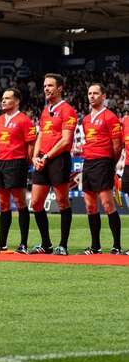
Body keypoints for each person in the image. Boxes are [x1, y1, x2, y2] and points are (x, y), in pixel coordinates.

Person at [30, 73, 77, 255]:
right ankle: (46, 244)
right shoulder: (45, 109)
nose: (46, 89)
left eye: (50, 85)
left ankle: (63, 245)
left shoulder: (67, 110)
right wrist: (35, 156)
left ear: (60, 88)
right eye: (44, 86)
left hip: (58, 160)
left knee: (62, 201)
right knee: (35, 203)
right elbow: (41, 135)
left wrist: (46, 157)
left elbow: (66, 141)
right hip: (42, 159)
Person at [77, 83, 122, 254]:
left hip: (103, 162)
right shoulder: (86, 119)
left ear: (103, 96)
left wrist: (110, 163)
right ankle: (95, 246)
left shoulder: (110, 117)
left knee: (108, 204)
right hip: (88, 162)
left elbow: (117, 146)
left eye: (96, 93)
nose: (92, 96)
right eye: (89, 93)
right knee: (90, 205)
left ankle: (116, 245)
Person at [0, 88, 36, 254]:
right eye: (2, 98)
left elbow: (31, 143)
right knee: (3, 204)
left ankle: (23, 244)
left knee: (19, 202)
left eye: (7, 98)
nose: (3, 101)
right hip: (0, 163)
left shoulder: (24, 120)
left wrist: (26, 161)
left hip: (17, 163)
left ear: (17, 101)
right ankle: (2, 243)